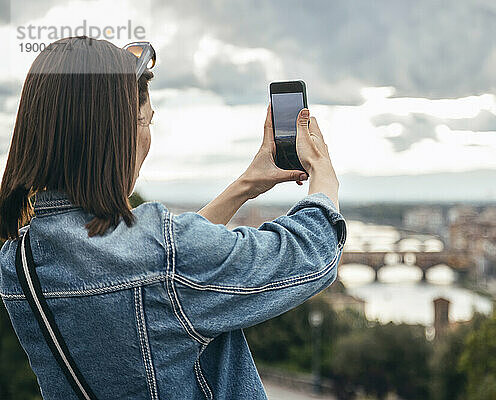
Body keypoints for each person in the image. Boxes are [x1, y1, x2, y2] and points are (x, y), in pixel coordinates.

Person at [0, 36, 346, 400]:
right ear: (114, 136)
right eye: (145, 121)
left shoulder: (16, 261)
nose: (148, 138)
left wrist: (244, 186)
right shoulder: (160, 253)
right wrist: (323, 173)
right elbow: (310, 256)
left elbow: (161, 279)